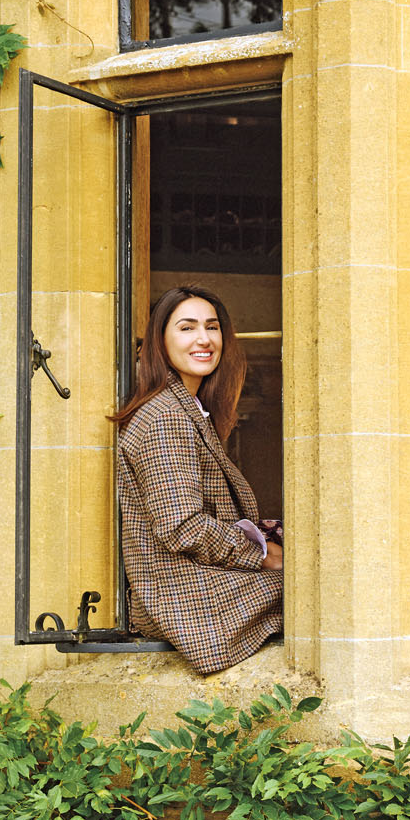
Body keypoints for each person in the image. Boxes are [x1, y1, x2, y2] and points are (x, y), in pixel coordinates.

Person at [111, 285, 283, 674]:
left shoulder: (188, 409)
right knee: (320, 594)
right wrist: (261, 554)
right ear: (160, 342)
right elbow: (182, 526)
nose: (204, 339)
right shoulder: (166, 417)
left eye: (212, 327)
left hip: (197, 583)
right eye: (187, 328)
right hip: (181, 597)